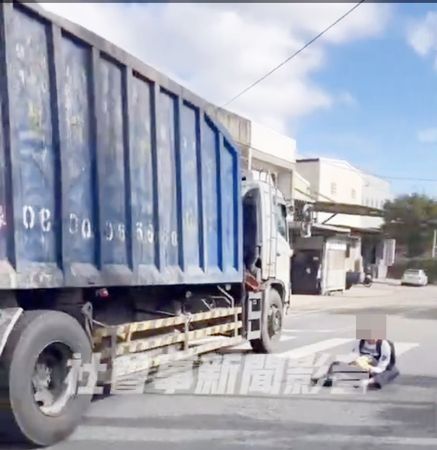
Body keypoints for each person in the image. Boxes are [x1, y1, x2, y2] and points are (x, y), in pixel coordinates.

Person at [313, 338, 400, 390]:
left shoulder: (384, 345)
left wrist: (372, 369)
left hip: (379, 369)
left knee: (389, 372)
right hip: (363, 368)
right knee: (336, 364)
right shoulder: (360, 342)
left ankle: (369, 382)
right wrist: (354, 365)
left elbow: (383, 366)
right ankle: (328, 378)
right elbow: (353, 357)